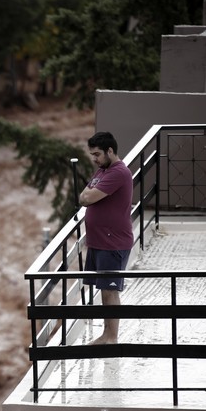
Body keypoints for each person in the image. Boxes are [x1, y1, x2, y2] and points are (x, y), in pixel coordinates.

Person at [78, 131, 134, 345]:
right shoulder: (103, 170)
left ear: (110, 151)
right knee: (104, 290)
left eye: (97, 154)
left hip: (113, 242)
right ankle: (107, 334)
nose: (94, 159)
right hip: (100, 241)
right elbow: (83, 197)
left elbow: (87, 197)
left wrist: (88, 195)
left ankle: (111, 337)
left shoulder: (118, 172)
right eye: (92, 154)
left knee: (110, 290)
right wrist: (88, 195)